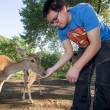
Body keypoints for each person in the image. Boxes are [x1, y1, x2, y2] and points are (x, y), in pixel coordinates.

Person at [43, 0, 110, 110]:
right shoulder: (61, 30)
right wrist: (52, 69)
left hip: (105, 41)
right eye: (52, 23)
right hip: (85, 46)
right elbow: (68, 52)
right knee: (81, 80)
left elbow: (96, 44)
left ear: (64, 8)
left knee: (103, 82)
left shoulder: (83, 10)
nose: (55, 24)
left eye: (55, 19)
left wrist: (76, 67)